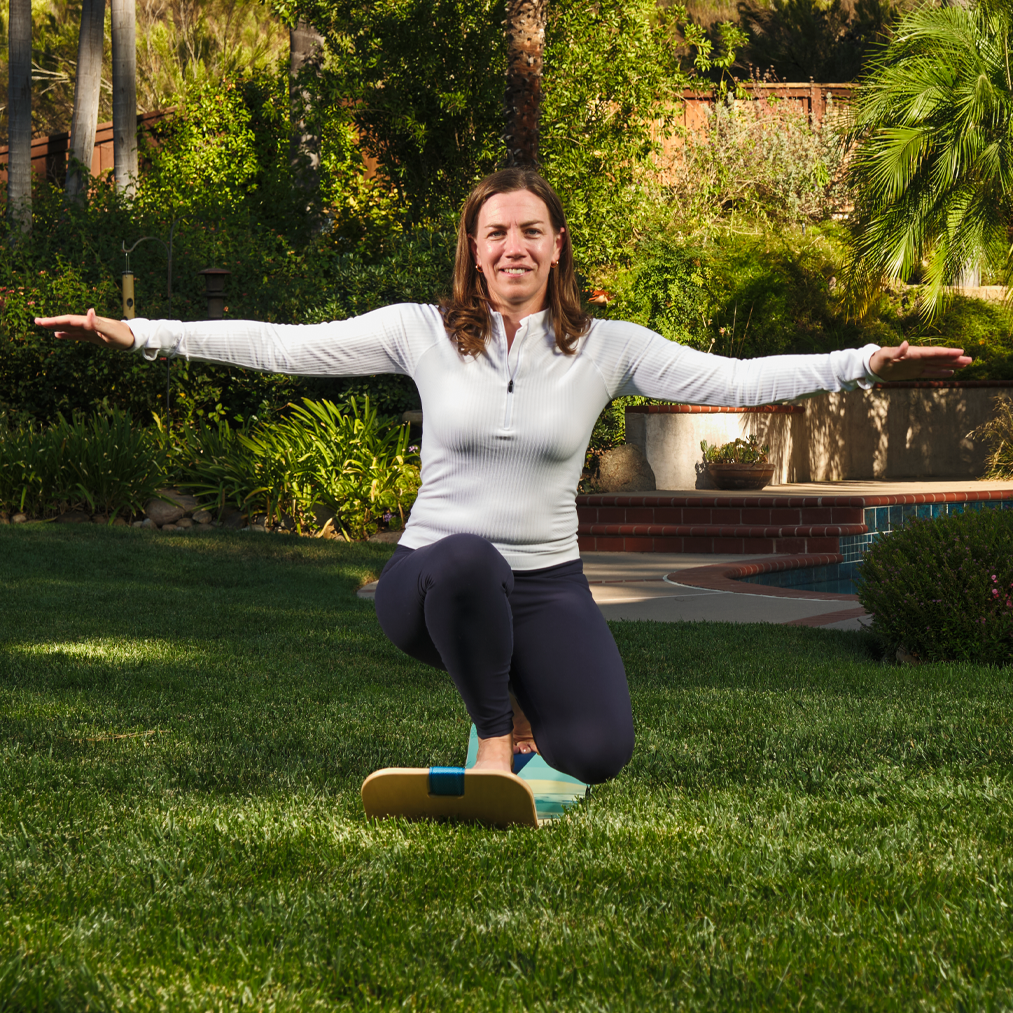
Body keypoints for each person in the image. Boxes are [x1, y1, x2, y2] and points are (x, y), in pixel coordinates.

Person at [36, 167, 972, 784]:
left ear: (557, 244)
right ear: (472, 250)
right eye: (495, 233)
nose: (512, 246)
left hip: (549, 589)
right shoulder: (420, 330)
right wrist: (138, 332)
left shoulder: (609, 347)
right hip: (428, 582)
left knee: (598, 753)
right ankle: (493, 739)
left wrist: (864, 361)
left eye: (531, 230)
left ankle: (529, 720)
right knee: (469, 558)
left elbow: (733, 378)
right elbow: (281, 346)